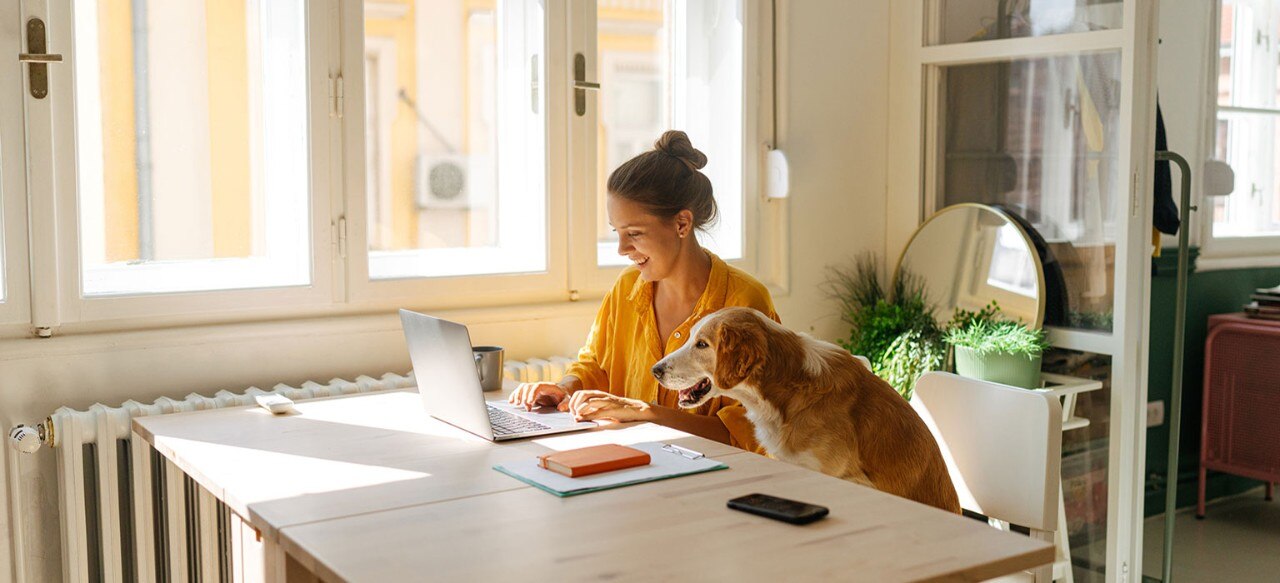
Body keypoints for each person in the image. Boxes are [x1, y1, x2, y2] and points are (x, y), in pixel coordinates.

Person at [508, 130, 778, 451]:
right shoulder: (627, 288)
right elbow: (596, 365)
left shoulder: (744, 303)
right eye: (617, 232)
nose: (622, 248)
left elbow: (749, 434)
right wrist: (564, 388)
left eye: (634, 233)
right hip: (631, 463)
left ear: (681, 224)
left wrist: (648, 414)